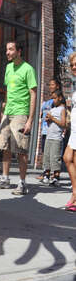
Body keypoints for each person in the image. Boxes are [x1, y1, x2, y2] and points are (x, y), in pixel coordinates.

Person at [0, 41, 37, 196]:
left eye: (11, 49)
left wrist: (30, 120)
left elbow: (33, 94)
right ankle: (5, 179)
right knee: (5, 146)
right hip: (8, 113)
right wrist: (3, 111)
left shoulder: (28, 69)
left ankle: (22, 183)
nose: (7, 52)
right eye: (6, 49)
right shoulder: (8, 67)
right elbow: (7, 91)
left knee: (21, 149)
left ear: (19, 51)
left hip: (20, 113)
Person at [40, 89, 66, 186]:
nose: (53, 100)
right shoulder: (52, 109)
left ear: (60, 98)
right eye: (52, 98)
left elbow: (63, 124)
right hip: (49, 136)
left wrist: (53, 119)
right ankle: (46, 176)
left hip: (56, 138)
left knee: (55, 158)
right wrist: (48, 120)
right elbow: (49, 123)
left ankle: (56, 178)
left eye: (55, 98)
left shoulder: (62, 109)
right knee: (47, 157)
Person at [63, 52, 76, 211]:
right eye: (72, 65)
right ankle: (74, 193)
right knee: (67, 158)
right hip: (74, 129)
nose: (74, 67)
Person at [38, 77, 61, 160]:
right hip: (44, 131)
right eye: (49, 85)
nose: (50, 86)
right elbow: (42, 114)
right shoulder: (47, 101)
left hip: (53, 131)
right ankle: (45, 168)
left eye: (53, 85)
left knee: (53, 155)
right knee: (45, 154)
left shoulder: (58, 100)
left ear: (57, 86)